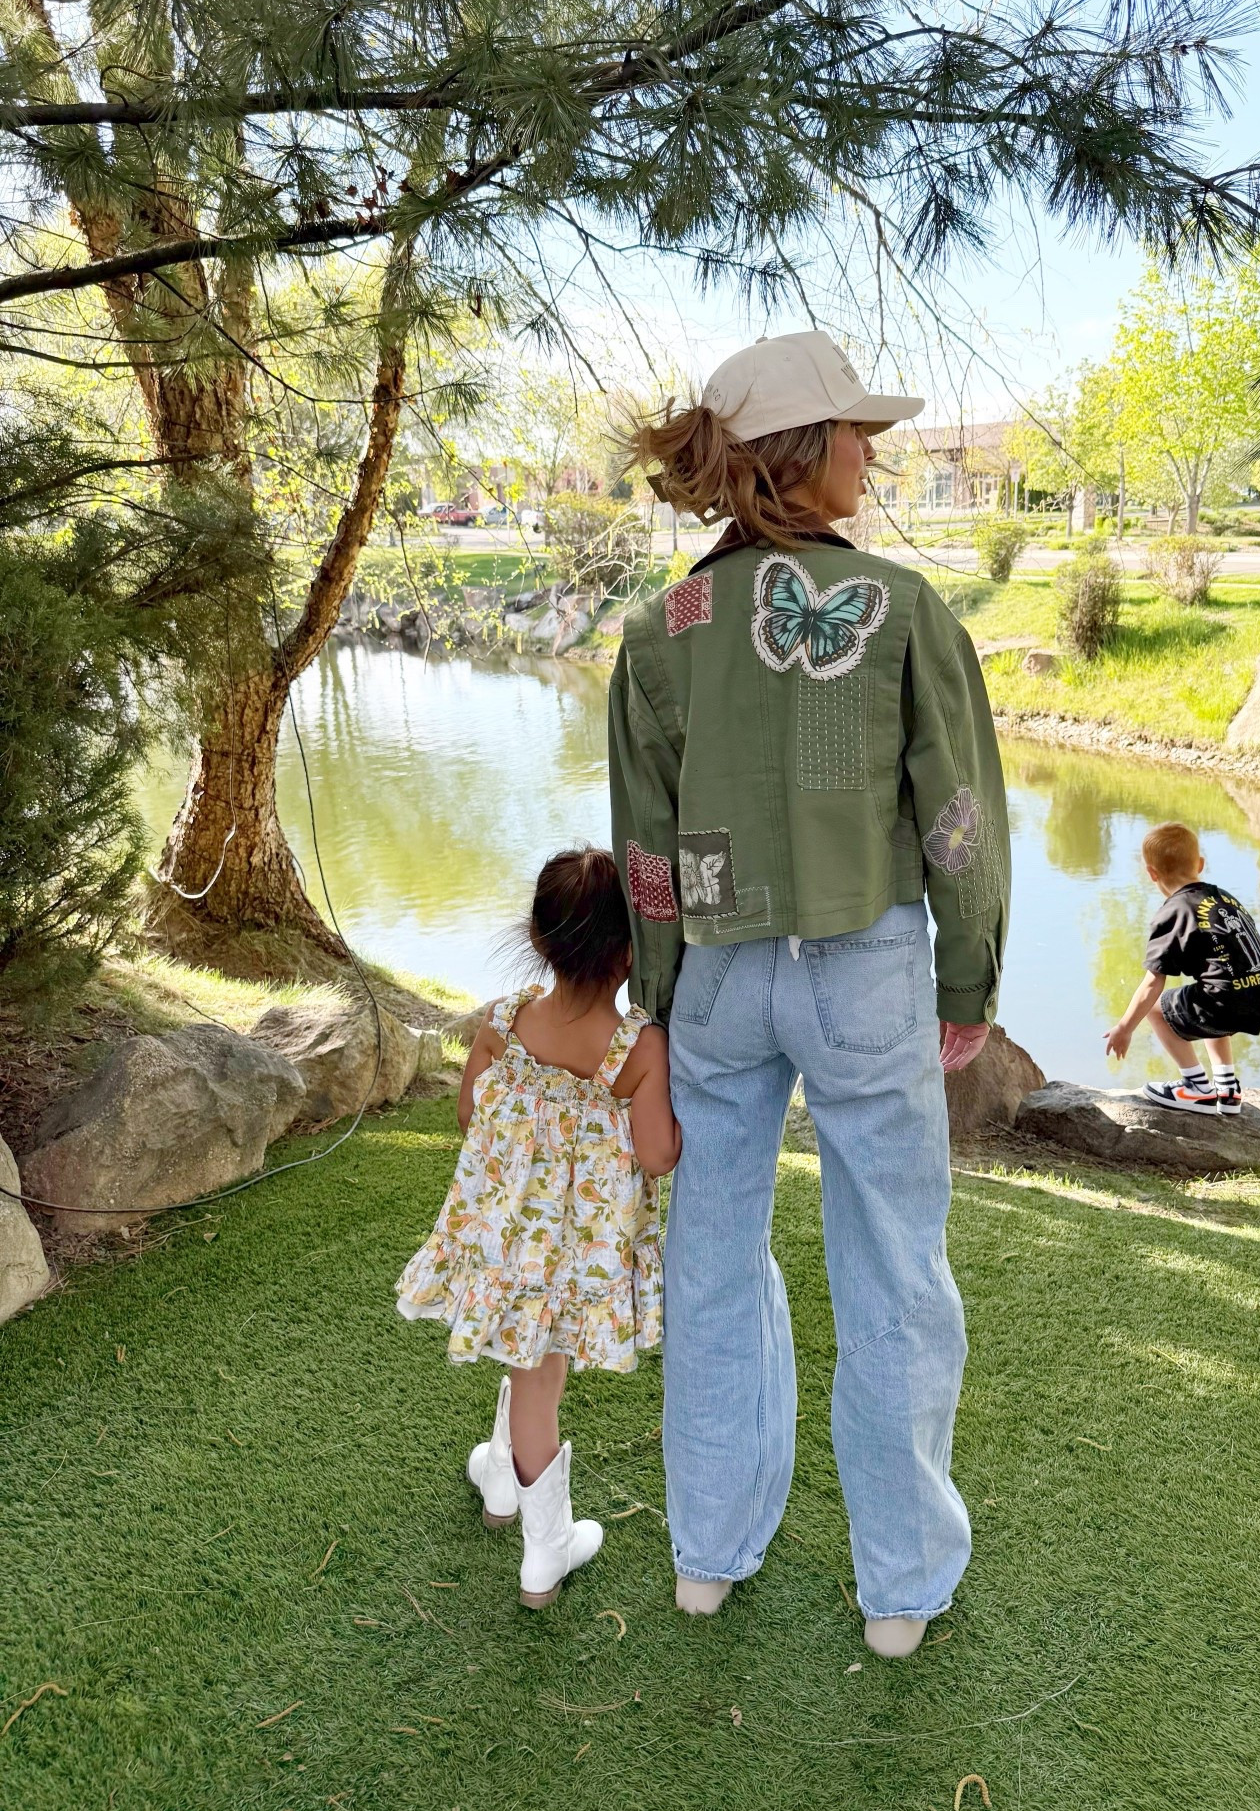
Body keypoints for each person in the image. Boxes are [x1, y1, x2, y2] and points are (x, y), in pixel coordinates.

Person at [608, 330, 1009, 1659]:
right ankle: (898, 1593)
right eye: (856, 431)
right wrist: (969, 974)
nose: (873, 450)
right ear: (803, 452)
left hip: (719, 982)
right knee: (892, 1271)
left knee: (711, 1261)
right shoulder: (902, 610)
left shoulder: (661, 633)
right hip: (866, 968)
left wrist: (657, 1009)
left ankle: (708, 1558)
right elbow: (958, 819)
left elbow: (648, 855)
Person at [395, 847, 680, 1607]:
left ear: (539, 938)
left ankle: (499, 1479)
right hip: (571, 1261)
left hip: (505, 1248)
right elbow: (658, 1155)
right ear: (627, 955)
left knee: (526, 1361)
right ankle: (544, 1551)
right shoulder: (637, 1050)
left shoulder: (501, 1023)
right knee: (538, 1382)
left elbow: (470, 1114)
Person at [1104, 822, 1260, 1116]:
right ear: (1200, 865)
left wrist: (1124, 1028)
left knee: (1157, 1009)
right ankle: (1227, 1090)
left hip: (1231, 1000)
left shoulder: (1173, 912)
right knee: (1212, 989)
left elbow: (1153, 983)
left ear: (1152, 873)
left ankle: (1197, 1087)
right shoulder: (1224, 897)